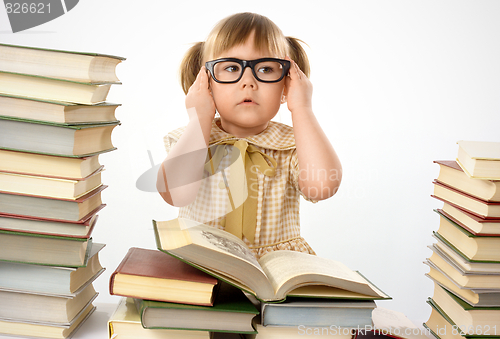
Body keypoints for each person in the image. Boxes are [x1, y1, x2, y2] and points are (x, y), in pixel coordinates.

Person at [157, 12, 342, 259]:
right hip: (202, 260)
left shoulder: (293, 146)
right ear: (207, 81)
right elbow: (176, 195)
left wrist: (302, 109)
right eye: (231, 67)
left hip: (274, 266)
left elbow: (322, 187)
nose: (248, 82)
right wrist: (199, 117)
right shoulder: (193, 138)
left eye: (265, 69)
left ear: (286, 84)